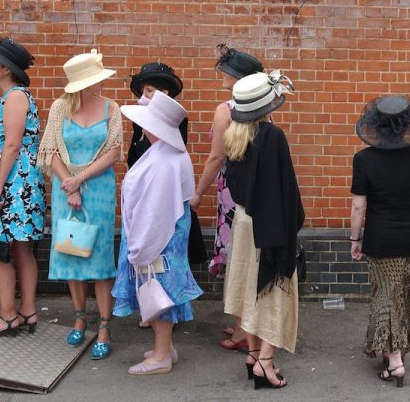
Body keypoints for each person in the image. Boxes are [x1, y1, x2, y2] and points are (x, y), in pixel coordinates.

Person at [38, 49, 122, 359]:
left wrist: (80, 179)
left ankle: (104, 324)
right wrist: (69, 185)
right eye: (96, 80)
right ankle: (79, 316)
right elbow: (50, 151)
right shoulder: (60, 107)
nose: (101, 84)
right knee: (73, 254)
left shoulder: (111, 109)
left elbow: (114, 152)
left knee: (99, 259)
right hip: (65, 190)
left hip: (98, 189)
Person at [112, 90, 203, 375]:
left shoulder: (164, 160)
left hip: (159, 238)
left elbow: (156, 212)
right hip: (166, 236)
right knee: (162, 289)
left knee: (158, 289)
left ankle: (162, 354)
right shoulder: (168, 153)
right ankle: (166, 348)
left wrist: (142, 248)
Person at [222, 71, 303, 390]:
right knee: (273, 293)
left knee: (249, 293)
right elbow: (284, 188)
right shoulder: (272, 135)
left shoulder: (234, 134)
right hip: (269, 224)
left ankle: (253, 355)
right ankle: (265, 364)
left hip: (243, 223)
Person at [350, 95, 410, 388]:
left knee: (386, 297)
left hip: (381, 239)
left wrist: (355, 239)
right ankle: (394, 350)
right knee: (406, 297)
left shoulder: (364, 159)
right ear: (406, 126)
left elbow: (359, 207)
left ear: (375, 127)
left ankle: (394, 360)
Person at [190, 44, 264, 350]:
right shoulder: (262, 106)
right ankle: (243, 323)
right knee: (248, 257)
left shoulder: (227, 109)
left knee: (237, 257)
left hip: (232, 192)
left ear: (238, 77)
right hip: (256, 189)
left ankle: (243, 332)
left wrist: (196, 194)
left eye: (226, 70)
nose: (221, 74)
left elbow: (215, 158)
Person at [0, 37, 46, 336]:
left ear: (5, 67)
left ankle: (7, 314)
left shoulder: (14, 97)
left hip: (15, 182)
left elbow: (12, 144)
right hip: (22, 180)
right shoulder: (17, 95)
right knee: (23, 249)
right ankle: (27, 311)